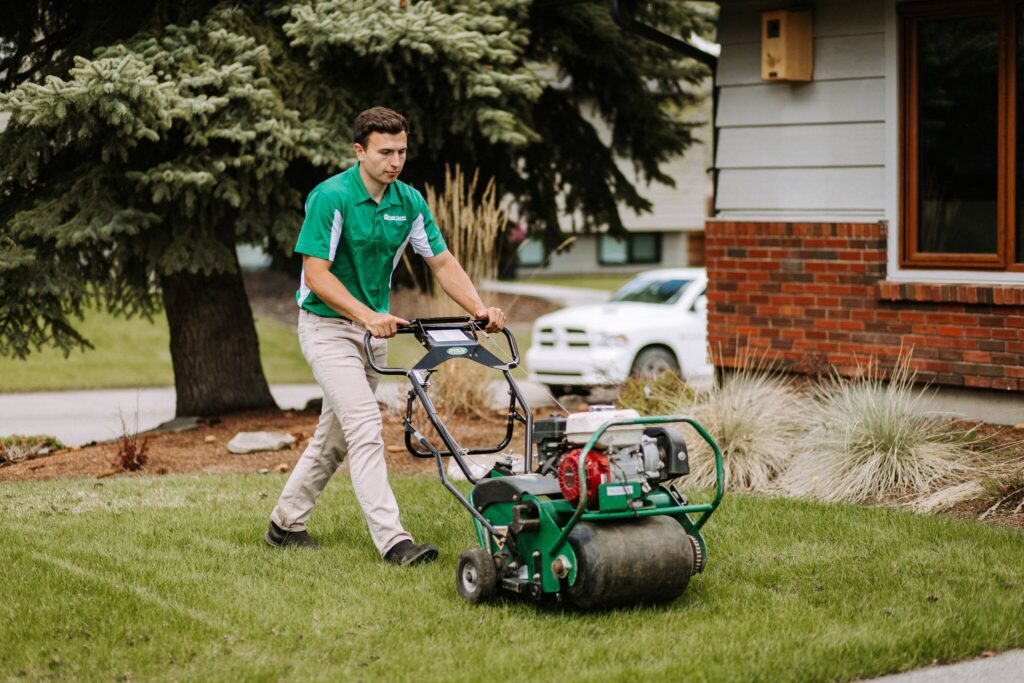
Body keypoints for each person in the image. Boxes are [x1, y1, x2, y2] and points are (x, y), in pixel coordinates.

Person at [264, 107, 506, 566]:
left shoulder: (408, 202)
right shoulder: (331, 197)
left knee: (333, 439)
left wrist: (478, 309)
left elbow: (441, 262)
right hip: (327, 329)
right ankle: (394, 541)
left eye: (402, 151)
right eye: (385, 152)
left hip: (372, 334)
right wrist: (364, 315)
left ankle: (284, 525)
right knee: (365, 428)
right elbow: (316, 276)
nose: (395, 161)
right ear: (360, 151)